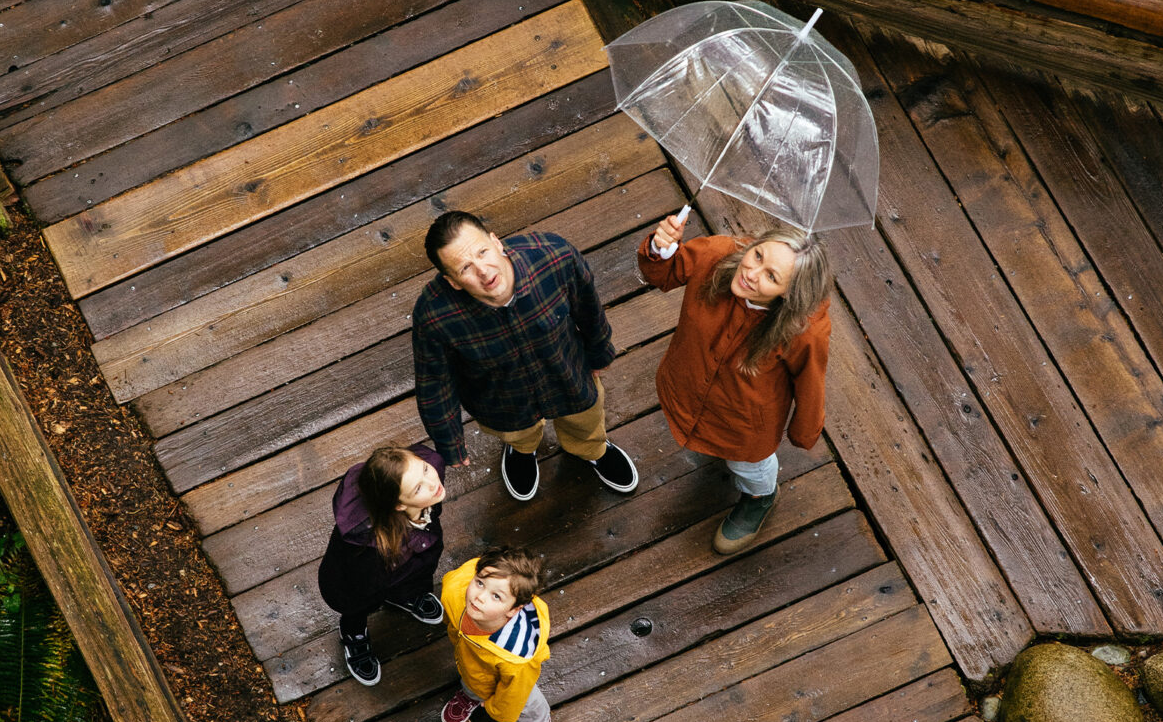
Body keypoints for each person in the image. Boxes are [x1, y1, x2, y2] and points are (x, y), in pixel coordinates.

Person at [411, 210, 639, 502]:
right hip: (502, 401)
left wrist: (600, 350)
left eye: (482, 251)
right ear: (452, 281)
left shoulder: (554, 256)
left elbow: (588, 306)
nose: (483, 270)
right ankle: (522, 450)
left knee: (586, 419)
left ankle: (592, 448)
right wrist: (449, 442)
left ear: (496, 241)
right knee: (517, 433)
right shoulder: (433, 315)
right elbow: (434, 382)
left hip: (569, 374)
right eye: (465, 267)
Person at [639, 211, 832, 555]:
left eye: (771, 276)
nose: (751, 273)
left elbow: (810, 383)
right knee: (703, 440)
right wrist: (662, 247)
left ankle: (761, 497)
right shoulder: (718, 253)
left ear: (789, 294)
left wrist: (803, 433)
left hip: (746, 425)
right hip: (687, 381)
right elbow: (664, 274)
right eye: (757, 255)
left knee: (750, 467)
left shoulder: (804, 329)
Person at [317, 442, 447, 686]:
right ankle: (353, 632)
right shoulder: (368, 549)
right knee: (360, 605)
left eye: (425, 470)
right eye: (418, 488)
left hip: (412, 563)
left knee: (415, 578)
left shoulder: (430, 488)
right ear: (399, 505)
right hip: (365, 585)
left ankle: (407, 596)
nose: (433, 482)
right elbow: (357, 585)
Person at [438, 547, 552, 722]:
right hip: (471, 661)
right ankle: (473, 692)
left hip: (513, 684)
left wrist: (496, 708)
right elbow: (451, 606)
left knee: (527, 701)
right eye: (480, 582)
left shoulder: (516, 657)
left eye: (496, 596)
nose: (479, 597)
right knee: (472, 673)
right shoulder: (456, 589)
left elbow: (514, 692)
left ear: (513, 610)